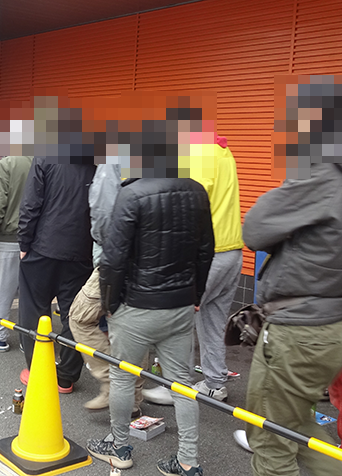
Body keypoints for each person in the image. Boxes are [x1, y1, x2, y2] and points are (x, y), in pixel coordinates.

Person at [243, 160, 342, 476]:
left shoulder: (321, 174)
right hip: (338, 320)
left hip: (299, 327)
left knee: (270, 440)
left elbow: (255, 229)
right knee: (293, 423)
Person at [87, 177, 214, 475]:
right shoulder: (196, 191)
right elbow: (206, 250)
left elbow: (114, 258)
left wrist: (110, 303)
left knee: (122, 377)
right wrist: (195, 295)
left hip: (137, 304)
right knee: (182, 384)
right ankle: (188, 461)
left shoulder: (132, 194)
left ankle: (119, 447)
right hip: (180, 304)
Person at [143, 135, 243, 405]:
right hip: (231, 250)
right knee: (213, 321)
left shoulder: (197, 154)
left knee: (177, 319)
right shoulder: (223, 152)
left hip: (205, 253)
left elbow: (187, 206)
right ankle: (214, 384)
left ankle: (176, 386)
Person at [69, 164, 146, 415]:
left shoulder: (112, 159)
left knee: (80, 317)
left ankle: (114, 384)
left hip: (114, 258)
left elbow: (103, 213)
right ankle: (131, 400)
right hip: (149, 258)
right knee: (132, 327)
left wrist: (107, 246)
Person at [18, 157, 96, 393]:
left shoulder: (46, 155)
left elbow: (31, 204)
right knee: (74, 314)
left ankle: (38, 369)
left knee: (33, 309)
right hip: (81, 250)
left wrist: (24, 242)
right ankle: (66, 376)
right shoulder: (99, 162)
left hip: (43, 246)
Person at [0, 155, 33, 351]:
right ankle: (28, 340)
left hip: (8, 237)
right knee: (30, 294)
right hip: (36, 239)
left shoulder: (6, 164)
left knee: (1, 290)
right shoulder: (43, 161)